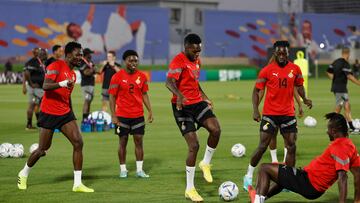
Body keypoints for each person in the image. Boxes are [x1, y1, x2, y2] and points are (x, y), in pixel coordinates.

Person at [17, 41, 94, 193]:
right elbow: (46, 86)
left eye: (81, 55)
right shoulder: (56, 66)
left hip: (65, 113)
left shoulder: (72, 72)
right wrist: (62, 83)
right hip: (49, 113)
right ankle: (23, 173)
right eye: (77, 54)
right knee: (42, 149)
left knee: (78, 143)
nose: (80, 58)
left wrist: (71, 113)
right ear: (68, 54)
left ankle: (77, 184)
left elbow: (66, 96)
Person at [243, 40, 312, 192]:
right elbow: (256, 91)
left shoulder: (295, 69)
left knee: (292, 146)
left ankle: (289, 181)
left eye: (284, 53)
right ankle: (248, 175)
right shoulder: (267, 70)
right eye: (279, 53)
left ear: (288, 53)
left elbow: (299, 86)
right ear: (275, 53)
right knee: (262, 146)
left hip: (288, 114)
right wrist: (255, 109)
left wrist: (304, 99)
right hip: (270, 115)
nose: (282, 56)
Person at [248, 112, 360, 203]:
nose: (327, 132)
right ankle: (261, 197)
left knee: (264, 168)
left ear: (334, 131)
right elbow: (358, 174)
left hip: (309, 183)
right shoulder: (350, 146)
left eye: (328, 129)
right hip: (309, 180)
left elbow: (343, 178)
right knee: (283, 176)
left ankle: (258, 200)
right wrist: (357, 200)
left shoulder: (339, 147)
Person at [165, 33, 221, 202]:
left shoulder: (197, 61)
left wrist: (205, 97)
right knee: (194, 145)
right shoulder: (178, 61)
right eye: (195, 50)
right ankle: (190, 189)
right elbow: (169, 82)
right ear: (187, 47)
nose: (198, 54)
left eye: (199, 50)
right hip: (181, 108)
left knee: (216, 129)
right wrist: (180, 96)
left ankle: (205, 163)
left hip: (197, 103)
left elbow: (195, 83)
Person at [109, 50, 153, 178]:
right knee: (123, 142)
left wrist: (150, 110)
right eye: (131, 60)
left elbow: (144, 94)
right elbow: (112, 97)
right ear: (124, 61)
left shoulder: (142, 76)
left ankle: (139, 170)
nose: (134, 63)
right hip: (122, 115)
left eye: (135, 60)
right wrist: (113, 115)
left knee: (139, 142)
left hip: (138, 115)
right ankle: (123, 169)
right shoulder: (117, 76)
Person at [326, 47, 360, 134]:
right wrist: (358, 83)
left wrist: (334, 78)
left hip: (337, 88)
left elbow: (328, 71)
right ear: (348, 54)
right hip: (341, 89)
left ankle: (351, 127)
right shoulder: (345, 64)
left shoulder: (336, 62)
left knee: (346, 106)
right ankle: (330, 127)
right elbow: (349, 76)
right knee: (338, 108)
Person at [22, 47, 48, 130]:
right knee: (32, 105)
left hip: (40, 88)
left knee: (38, 105)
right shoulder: (32, 62)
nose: (45, 55)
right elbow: (26, 73)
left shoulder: (41, 62)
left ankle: (39, 122)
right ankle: (29, 124)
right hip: (34, 89)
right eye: (44, 53)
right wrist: (30, 84)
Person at [79, 48, 96, 121]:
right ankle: (84, 119)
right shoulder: (82, 62)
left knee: (89, 101)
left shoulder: (89, 62)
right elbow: (86, 72)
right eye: (90, 54)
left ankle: (87, 118)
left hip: (91, 84)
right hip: (86, 85)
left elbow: (94, 70)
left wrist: (93, 69)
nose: (91, 55)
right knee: (87, 100)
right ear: (86, 55)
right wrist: (92, 69)